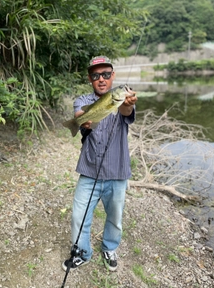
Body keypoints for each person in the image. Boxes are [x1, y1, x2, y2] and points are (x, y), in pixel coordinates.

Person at [62, 56, 138, 272]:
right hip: (89, 170)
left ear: (112, 76)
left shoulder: (124, 99)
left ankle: (109, 248)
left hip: (117, 171)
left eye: (106, 74)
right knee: (79, 215)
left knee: (115, 217)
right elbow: (79, 113)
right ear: (90, 79)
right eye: (96, 76)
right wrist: (81, 120)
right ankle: (82, 252)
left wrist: (127, 103)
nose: (101, 79)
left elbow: (126, 112)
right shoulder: (83, 100)